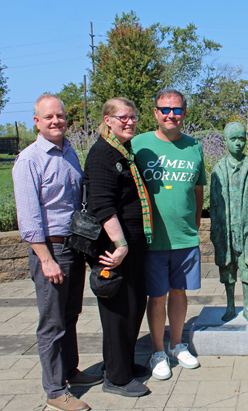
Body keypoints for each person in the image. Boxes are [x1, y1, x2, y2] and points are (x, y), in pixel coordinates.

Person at [12, 94, 102, 411]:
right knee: (52, 323)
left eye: (60, 116)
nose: (56, 121)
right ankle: (54, 391)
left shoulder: (68, 153)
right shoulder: (29, 160)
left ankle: (70, 371)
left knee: (70, 315)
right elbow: (29, 218)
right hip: (50, 249)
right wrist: (46, 259)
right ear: (36, 121)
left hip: (74, 246)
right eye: (48, 117)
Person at [132, 89, 206, 380]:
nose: (170, 115)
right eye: (165, 109)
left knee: (180, 292)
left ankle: (177, 344)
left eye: (176, 110)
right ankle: (158, 351)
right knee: (157, 296)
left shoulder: (194, 147)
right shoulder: (140, 145)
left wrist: (196, 221)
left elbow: (198, 190)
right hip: (153, 240)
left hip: (185, 238)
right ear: (155, 113)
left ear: (184, 113)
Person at [84, 97, 153, 397]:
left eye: (133, 117)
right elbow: (101, 204)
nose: (129, 122)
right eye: (123, 117)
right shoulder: (102, 154)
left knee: (134, 305)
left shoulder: (123, 151)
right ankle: (116, 377)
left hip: (133, 246)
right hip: (114, 249)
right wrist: (121, 244)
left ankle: (123, 363)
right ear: (108, 120)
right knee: (118, 311)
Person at [210, 122, 248, 323]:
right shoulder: (218, 169)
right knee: (227, 269)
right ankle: (230, 306)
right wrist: (215, 231)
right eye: (233, 139)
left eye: (241, 139)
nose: (237, 143)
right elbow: (214, 203)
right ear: (225, 141)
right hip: (225, 229)